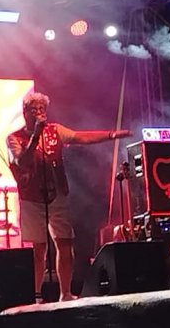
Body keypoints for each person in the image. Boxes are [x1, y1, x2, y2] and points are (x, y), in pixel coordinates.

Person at [7, 92, 132, 302]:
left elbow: (80, 137)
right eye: (34, 110)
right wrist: (35, 136)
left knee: (65, 243)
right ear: (25, 112)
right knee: (38, 248)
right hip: (31, 198)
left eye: (42, 109)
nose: (39, 113)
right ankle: (35, 295)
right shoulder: (14, 138)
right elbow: (22, 162)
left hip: (57, 194)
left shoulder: (55, 130)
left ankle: (65, 293)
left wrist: (111, 135)